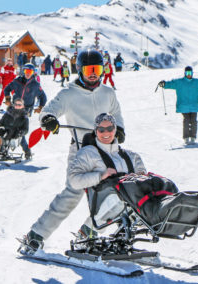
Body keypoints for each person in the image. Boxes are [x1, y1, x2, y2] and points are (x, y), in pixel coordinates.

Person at [22, 49, 125, 252]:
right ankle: (36, 235)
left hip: (107, 151)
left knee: (119, 191)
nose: (93, 74)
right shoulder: (68, 94)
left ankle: (88, 233)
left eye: (97, 69)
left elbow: (117, 114)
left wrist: (119, 129)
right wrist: (49, 120)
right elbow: (48, 111)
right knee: (73, 193)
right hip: (81, 150)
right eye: (89, 70)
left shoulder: (107, 93)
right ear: (80, 70)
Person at [69, 113, 146, 238]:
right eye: (101, 129)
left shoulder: (130, 156)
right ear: (96, 131)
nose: (106, 133)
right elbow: (74, 180)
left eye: (110, 129)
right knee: (119, 199)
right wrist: (100, 175)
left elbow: (142, 175)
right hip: (104, 199)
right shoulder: (88, 153)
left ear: (115, 130)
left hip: (129, 201)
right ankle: (86, 233)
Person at [158, 66, 198, 144]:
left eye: (190, 73)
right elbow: (171, 84)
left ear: (192, 73)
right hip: (183, 106)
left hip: (194, 105)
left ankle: (193, 137)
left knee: (194, 121)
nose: (189, 74)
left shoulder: (197, 82)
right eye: (187, 73)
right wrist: (164, 84)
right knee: (187, 120)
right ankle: (186, 137)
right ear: (184, 73)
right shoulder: (179, 82)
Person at [4, 63, 47, 159]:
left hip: (26, 109)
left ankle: (25, 150)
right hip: (14, 107)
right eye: (26, 71)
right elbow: (7, 89)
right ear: (23, 71)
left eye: (30, 72)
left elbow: (43, 97)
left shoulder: (35, 85)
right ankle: (22, 150)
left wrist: (40, 107)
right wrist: (7, 98)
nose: (28, 73)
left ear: (33, 73)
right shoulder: (17, 81)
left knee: (17, 128)